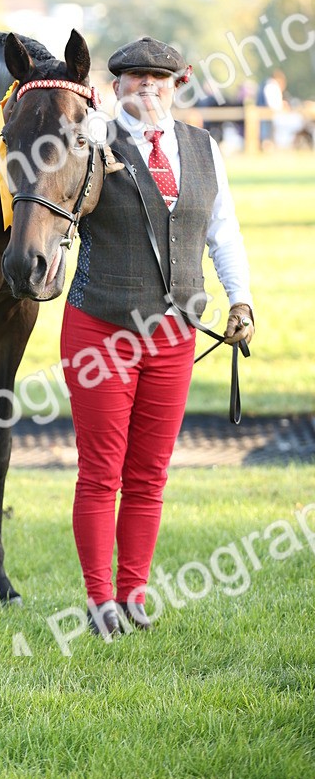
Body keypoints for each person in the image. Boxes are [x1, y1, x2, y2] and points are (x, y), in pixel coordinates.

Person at [60, 37, 254, 638]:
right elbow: (52, 201)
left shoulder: (203, 148)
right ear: (115, 86)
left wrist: (240, 299)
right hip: (101, 326)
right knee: (101, 471)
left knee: (149, 473)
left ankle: (134, 593)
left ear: (180, 83)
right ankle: (99, 602)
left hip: (175, 332)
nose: (148, 87)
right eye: (135, 78)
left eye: (159, 79)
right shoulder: (89, 137)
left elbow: (223, 233)